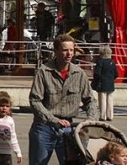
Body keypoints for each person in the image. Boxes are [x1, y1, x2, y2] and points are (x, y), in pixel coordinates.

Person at [28, 34, 98, 165]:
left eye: (71, 50)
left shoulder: (79, 74)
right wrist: (53, 119)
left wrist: (91, 121)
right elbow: (34, 100)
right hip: (44, 127)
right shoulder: (43, 72)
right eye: (65, 50)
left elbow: (90, 100)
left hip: (69, 129)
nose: (69, 53)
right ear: (56, 51)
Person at [0, 91, 22, 165]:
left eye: (7, 106)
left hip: (6, 153)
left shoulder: (10, 120)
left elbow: (13, 137)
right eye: (2, 105)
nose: (4, 108)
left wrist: (18, 152)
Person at [92, 44, 118, 121]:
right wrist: (111, 78)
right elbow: (116, 74)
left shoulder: (100, 62)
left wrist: (96, 80)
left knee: (102, 99)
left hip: (102, 82)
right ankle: (110, 116)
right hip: (110, 82)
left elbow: (97, 73)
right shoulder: (112, 62)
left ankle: (102, 116)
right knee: (110, 99)